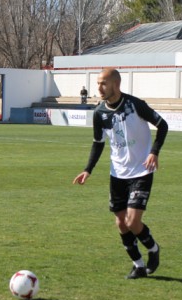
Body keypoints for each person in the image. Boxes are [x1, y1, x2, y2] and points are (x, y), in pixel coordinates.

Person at [72, 68, 169, 279]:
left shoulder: (135, 105)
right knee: (120, 223)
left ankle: (153, 250)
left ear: (116, 84)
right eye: (98, 83)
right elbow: (98, 144)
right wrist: (88, 169)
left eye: (103, 83)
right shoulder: (99, 113)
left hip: (141, 170)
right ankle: (138, 265)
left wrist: (154, 152)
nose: (99, 87)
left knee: (133, 222)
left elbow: (163, 126)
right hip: (117, 173)